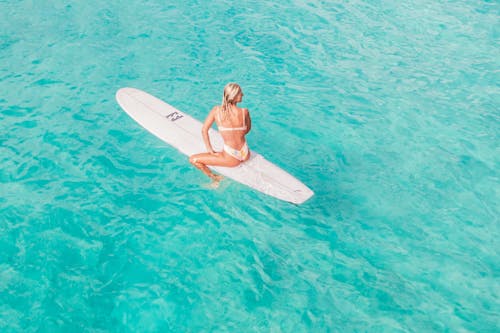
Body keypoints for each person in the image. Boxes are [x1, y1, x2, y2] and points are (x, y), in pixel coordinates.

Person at [189, 83, 251, 184]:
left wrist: (210, 150)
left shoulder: (216, 111)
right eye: (240, 93)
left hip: (232, 158)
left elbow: (204, 130)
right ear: (234, 95)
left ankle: (215, 178)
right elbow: (246, 130)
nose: (243, 94)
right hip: (245, 153)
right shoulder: (245, 112)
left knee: (193, 159)